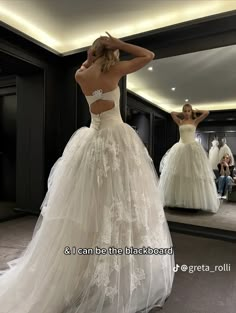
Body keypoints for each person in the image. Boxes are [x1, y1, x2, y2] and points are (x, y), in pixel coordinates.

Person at [0, 32, 175, 313]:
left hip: (91, 143)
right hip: (117, 142)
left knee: (90, 205)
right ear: (110, 52)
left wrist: (91, 57)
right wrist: (119, 45)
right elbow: (148, 56)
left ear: (92, 53)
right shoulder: (116, 69)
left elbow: (83, 67)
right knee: (121, 204)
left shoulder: (81, 77)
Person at [159, 103, 220, 213]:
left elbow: (207, 113)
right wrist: (180, 113)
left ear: (191, 112)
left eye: (188, 111)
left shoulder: (194, 121)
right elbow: (172, 113)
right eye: (185, 111)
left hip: (192, 148)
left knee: (193, 175)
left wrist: (196, 110)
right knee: (178, 175)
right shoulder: (180, 121)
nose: (186, 113)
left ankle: (193, 202)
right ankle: (177, 201)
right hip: (180, 148)